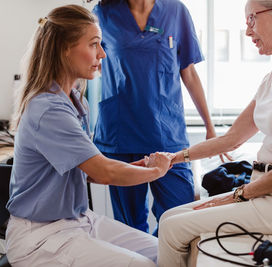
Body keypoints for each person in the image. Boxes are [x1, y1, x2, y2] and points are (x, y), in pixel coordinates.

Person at [157, 0, 272, 266]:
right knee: (168, 219)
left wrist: (240, 194)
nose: (247, 32)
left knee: (174, 229)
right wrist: (173, 158)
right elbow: (231, 139)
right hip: (269, 190)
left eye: (252, 19)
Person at [6, 5, 174, 267]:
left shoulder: (73, 100)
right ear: (64, 48)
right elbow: (104, 171)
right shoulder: (48, 109)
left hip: (78, 221)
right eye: (94, 44)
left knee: (168, 254)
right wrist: (156, 172)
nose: (103, 54)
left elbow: (90, 171)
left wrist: (136, 167)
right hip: (40, 236)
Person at [92, 0, 220, 237]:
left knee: (180, 218)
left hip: (168, 136)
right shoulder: (103, 14)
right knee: (129, 227)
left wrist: (210, 128)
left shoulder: (176, 11)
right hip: (120, 135)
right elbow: (87, 63)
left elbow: (189, 73)